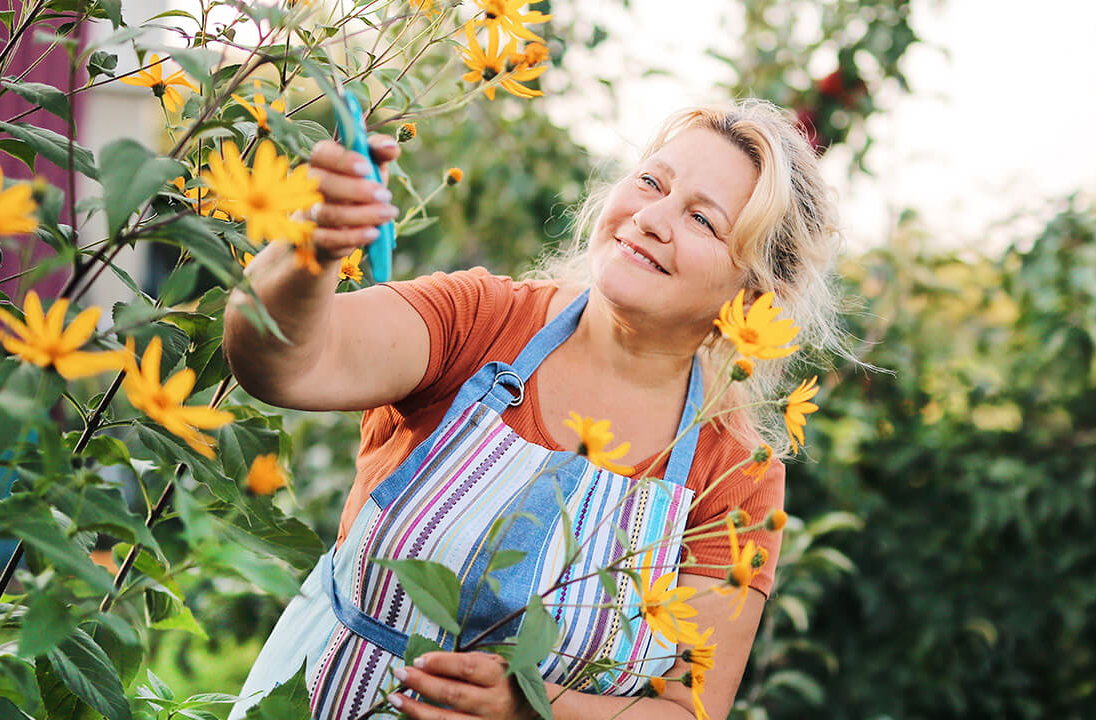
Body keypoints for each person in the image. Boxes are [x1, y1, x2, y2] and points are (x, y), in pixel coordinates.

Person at [223, 99, 843, 720]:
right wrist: (314, 244)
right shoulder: (480, 321)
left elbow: (687, 707)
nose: (651, 217)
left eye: (703, 220)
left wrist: (534, 708)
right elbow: (282, 363)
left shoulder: (735, 473)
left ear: (757, 291)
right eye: (651, 182)